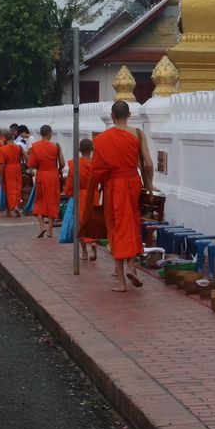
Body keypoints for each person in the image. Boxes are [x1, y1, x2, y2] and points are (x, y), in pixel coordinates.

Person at [91, 100, 154, 292]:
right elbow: (149, 164)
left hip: (113, 185)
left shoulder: (103, 139)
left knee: (116, 225)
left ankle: (121, 280)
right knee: (132, 222)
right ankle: (131, 266)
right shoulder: (137, 133)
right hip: (132, 182)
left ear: (112, 116)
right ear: (129, 116)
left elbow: (97, 171)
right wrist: (149, 185)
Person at [64, 138, 99, 260]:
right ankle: (93, 241)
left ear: (79, 149)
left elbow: (70, 181)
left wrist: (69, 192)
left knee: (80, 222)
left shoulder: (75, 163)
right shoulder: (96, 163)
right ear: (92, 149)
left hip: (81, 194)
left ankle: (85, 251)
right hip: (94, 194)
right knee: (92, 220)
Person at [28, 125, 65, 238]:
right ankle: (50, 230)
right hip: (53, 175)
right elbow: (62, 163)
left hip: (41, 175)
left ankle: (42, 226)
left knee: (39, 200)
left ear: (41, 134)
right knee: (52, 200)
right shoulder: (56, 146)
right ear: (50, 134)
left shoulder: (35, 146)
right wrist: (57, 170)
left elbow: (32, 164)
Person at [0, 131, 23, 217]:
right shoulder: (19, 148)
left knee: (10, 188)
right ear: (13, 138)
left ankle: (13, 206)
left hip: (8, 168)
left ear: (5, 139)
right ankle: (16, 205)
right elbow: (24, 158)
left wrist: (1, 175)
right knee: (18, 186)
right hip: (17, 167)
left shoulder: (3, 149)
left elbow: (2, 164)